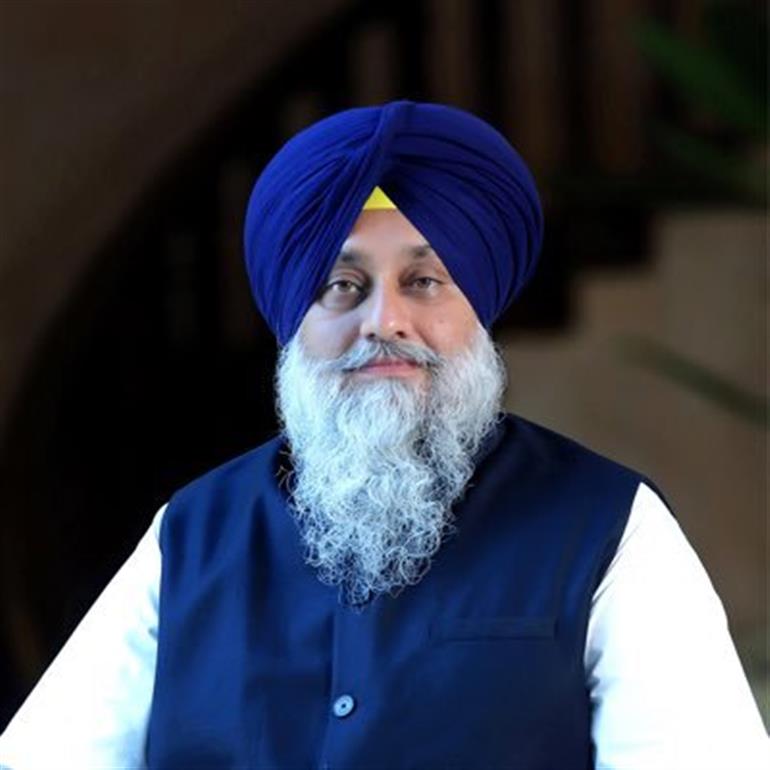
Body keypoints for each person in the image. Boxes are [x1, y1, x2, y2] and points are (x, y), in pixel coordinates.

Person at [0, 100, 766, 770]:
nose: (385, 321)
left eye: (424, 282)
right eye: (342, 285)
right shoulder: (194, 533)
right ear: (295, 321)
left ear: (479, 309)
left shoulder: (607, 523)